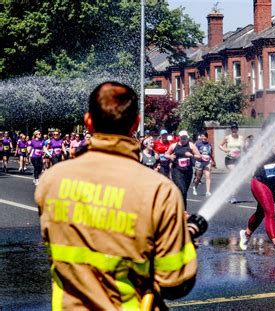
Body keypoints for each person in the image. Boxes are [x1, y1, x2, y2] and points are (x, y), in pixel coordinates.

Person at [34, 81, 198, 310]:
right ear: (136, 122)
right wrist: (185, 236)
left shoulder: (51, 181)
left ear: (88, 122)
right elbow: (175, 284)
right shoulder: (158, 190)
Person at [238, 138, 275, 257]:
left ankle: (246, 234)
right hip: (260, 183)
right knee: (270, 212)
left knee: (260, 213)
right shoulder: (260, 148)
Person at [166, 130, 201, 210]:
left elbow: (199, 156)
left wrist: (191, 155)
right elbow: (166, 154)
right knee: (182, 190)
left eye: (185, 137)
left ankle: (182, 210)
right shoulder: (174, 145)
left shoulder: (191, 145)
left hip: (188, 171)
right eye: (182, 137)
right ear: (179, 137)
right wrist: (170, 157)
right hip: (177, 170)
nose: (184, 139)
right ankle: (182, 210)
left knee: (184, 192)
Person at [219, 122, 244, 203]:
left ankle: (229, 195)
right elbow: (220, 145)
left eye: (235, 128)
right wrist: (226, 150)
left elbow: (243, 148)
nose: (234, 130)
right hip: (229, 159)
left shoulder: (241, 138)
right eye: (232, 129)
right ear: (231, 129)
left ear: (237, 129)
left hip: (238, 159)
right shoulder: (227, 138)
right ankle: (231, 196)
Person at [193, 132, 214, 196]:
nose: (204, 137)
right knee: (198, 177)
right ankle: (195, 187)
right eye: (202, 136)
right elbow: (194, 153)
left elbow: (211, 154)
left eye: (205, 136)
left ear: (207, 137)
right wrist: (198, 157)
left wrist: (213, 161)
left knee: (208, 176)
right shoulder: (198, 144)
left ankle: (207, 191)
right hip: (199, 162)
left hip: (207, 162)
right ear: (201, 137)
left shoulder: (209, 145)